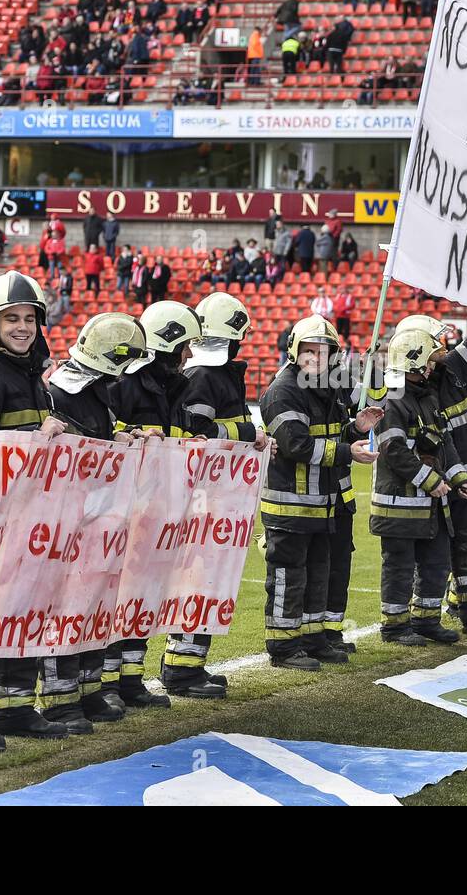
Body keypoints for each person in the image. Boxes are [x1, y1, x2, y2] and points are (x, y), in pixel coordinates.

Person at [0, 272, 76, 743]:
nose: (22, 327)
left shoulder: (33, 370)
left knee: (30, 609)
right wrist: (38, 437)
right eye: (12, 319)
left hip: (34, 516)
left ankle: (18, 706)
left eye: (29, 318)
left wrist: (56, 426)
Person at [41, 312, 147, 730]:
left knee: (92, 605)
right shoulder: (64, 390)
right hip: (70, 516)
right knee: (66, 608)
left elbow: (97, 433)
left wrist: (121, 438)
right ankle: (60, 698)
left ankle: (87, 690)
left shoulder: (93, 387)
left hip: (99, 517)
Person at [166, 293, 272, 699]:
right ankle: (181, 669)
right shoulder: (206, 376)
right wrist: (250, 436)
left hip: (220, 500)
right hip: (204, 502)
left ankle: (190, 665)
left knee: (209, 580)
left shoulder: (221, 373)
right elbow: (197, 433)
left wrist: (253, 442)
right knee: (198, 580)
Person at [260, 315, 380, 667]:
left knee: (317, 574)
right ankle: (283, 647)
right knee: (288, 576)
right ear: (295, 352)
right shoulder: (284, 390)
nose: (316, 358)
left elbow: (329, 434)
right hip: (291, 505)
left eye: (322, 352)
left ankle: (313, 639)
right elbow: (297, 445)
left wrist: (354, 428)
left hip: (322, 503)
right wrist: (348, 452)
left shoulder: (326, 385)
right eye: (309, 351)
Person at [393, 275, 467, 635]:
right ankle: (421, 617)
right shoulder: (404, 390)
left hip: (464, 478)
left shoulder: (457, 368)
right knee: (433, 554)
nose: (444, 348)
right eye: (436, 344)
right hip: (430, 485)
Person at [107, 301, 204, 709]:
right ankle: (106, 682)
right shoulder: (124, 383)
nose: (190, 356)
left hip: (157, 511)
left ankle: (130, 680)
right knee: (114, 597)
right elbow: (100, 433)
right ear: (168, 343)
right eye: (185, 347)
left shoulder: (174, 388)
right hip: (120, 511)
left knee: (143, 596)